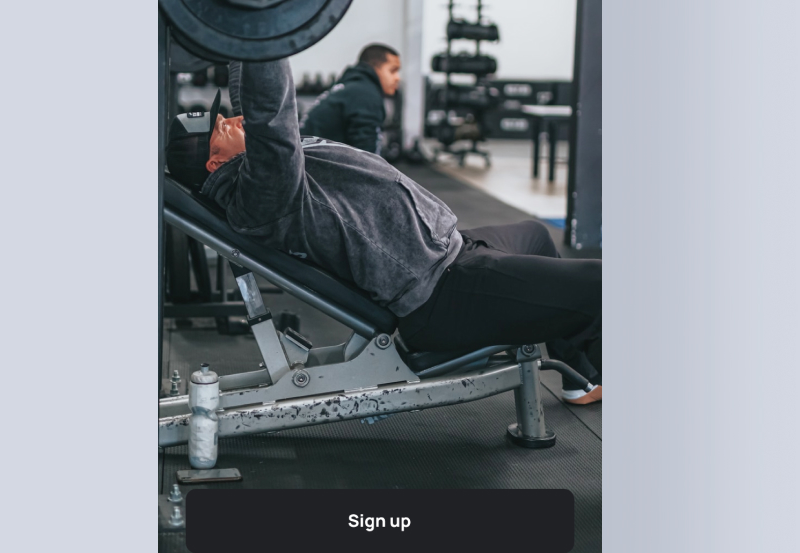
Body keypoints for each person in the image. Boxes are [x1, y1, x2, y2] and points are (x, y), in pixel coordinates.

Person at [165, 58, 601, 402]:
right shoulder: (262, 196)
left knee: (536, 235)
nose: (233, 120)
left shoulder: (257, 175)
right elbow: (269, 114)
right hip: (441, 293)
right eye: (221, 128)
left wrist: (240, 32)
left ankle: (581, 377)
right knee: (602, 284)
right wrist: (265, 28)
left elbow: (251, 105)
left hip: (453, 251)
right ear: (216, 163)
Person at [298, 42, 400, 154]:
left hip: (304, 157)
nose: (397, 78)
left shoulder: (350, 87)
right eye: (393, 71)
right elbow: (367, 156)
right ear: (376, 68)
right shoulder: (365, 93)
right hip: (310, 160)